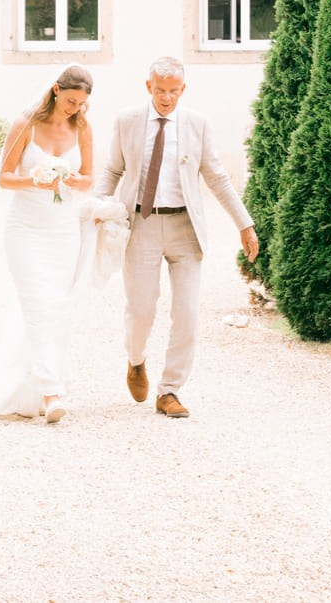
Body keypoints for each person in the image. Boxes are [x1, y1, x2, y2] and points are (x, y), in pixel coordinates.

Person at [100, 55, 256, 419]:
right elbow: (112, 170)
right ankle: (136, 361)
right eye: (159, 90)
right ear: (148, 87)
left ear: (183, 89)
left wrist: (244, 224)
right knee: (141, 309)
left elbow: (217, 177)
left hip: (186, 228)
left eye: (173, 91)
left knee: (186, 312)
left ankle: (170, 390)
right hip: (142, 224)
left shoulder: (198, 124)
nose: (166, 98)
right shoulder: (126, 121)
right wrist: (98, 209)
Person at [0, 65, 102, 422]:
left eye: (81, 103)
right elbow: (5, 177)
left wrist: (67, 176)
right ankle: (53, 392)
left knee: (55, 307)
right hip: (24, 229)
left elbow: (88, 179)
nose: (75, 109)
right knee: (36, 303)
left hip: (63, 229)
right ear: (55, 91)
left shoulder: (82, 127)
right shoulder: (26, 124)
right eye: (70, 101)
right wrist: (36, 180)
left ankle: (32, 387)